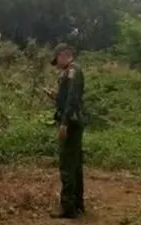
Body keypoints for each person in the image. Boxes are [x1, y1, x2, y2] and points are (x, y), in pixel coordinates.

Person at [50, 43, 85, 219]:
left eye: (57, 59)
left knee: (67, 165)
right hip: (72, 121)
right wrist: (55, 97)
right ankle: (77, 203)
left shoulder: (73, 71)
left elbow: (72, 98)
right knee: (75, 164)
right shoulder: (71, 71)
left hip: (70, 123)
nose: (56, 64)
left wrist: (63, 124)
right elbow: (67, 97)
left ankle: (68, 207)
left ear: (65, 55)